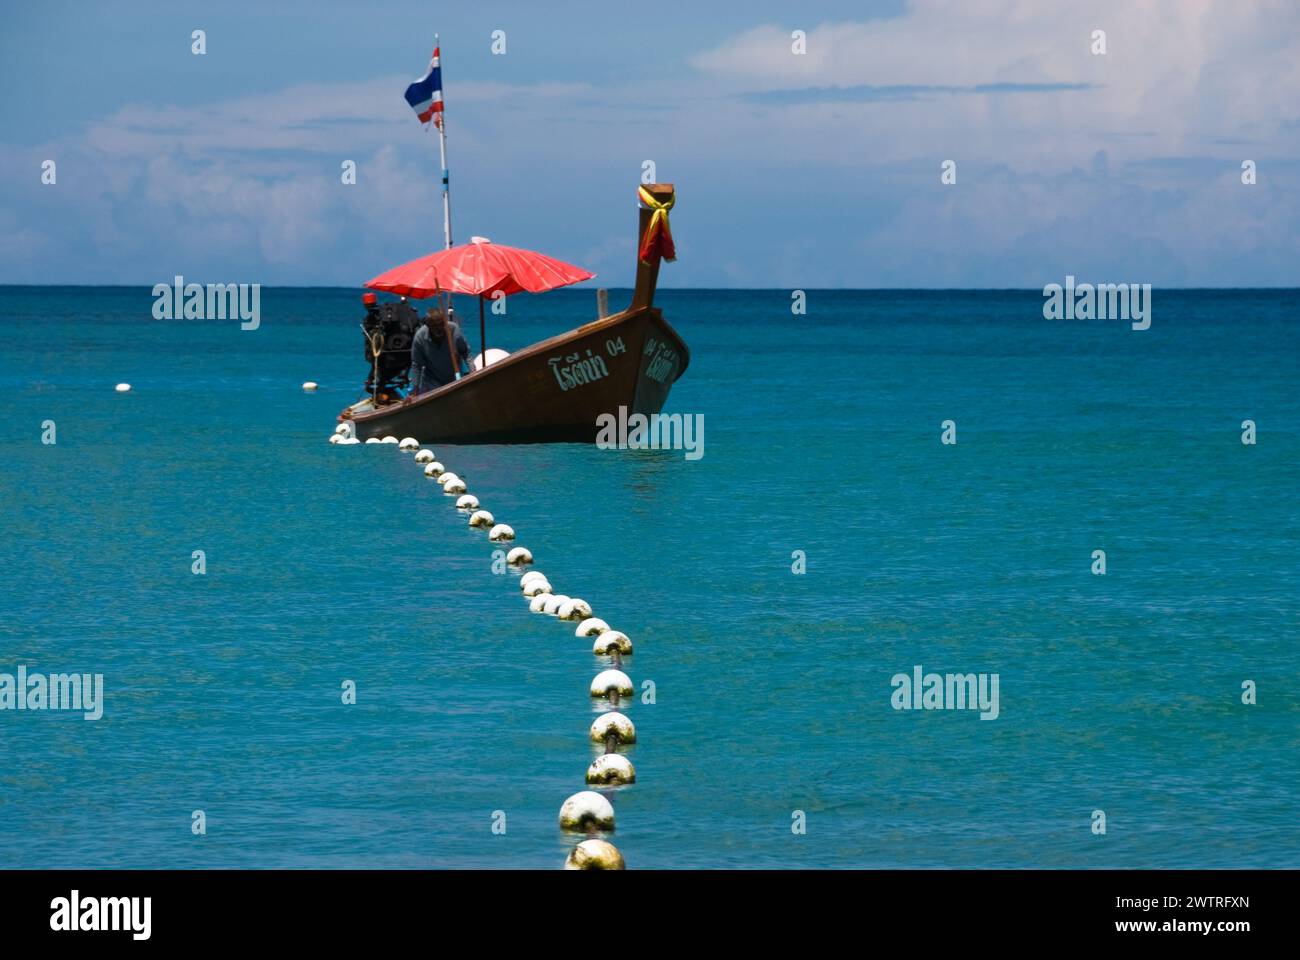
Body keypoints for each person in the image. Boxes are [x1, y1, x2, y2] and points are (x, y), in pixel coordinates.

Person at [409, 305, 470, 395]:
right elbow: (417, 365)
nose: (439, 328)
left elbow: (466, 353)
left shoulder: (454, 329)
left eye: (441, 324)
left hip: (454, 377)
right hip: (432, 381)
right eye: (434, 326)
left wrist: (473, 373)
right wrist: (415, 390)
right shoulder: (420, 336)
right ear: (428, 325)